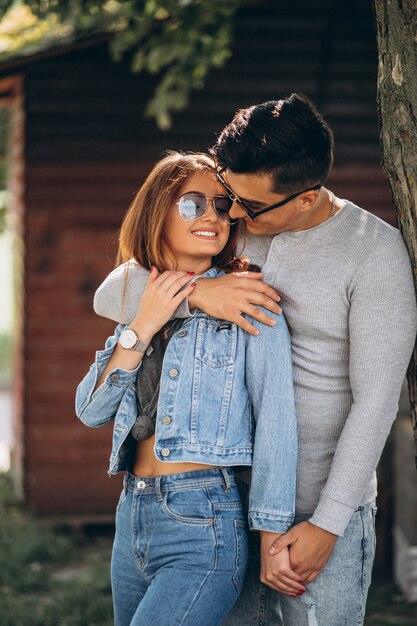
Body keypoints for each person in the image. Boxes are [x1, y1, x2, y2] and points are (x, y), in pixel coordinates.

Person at [93, 95, 417, 626]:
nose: (233, 213)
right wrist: (199, 296)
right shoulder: (231, 228)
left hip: (316, 508)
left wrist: (328, 525)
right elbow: (112, 294)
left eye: (248, 204)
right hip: (223, 505)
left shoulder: (373, 255)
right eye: (228, 194)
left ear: (307, 197)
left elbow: (376, 405)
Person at [75, 152, 298, 626]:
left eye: (222, 205)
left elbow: (277, 420)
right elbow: (91, 410)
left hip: (204, 521)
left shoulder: (249, 299)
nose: (213, 217)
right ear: (158, 211)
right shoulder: (139, 300)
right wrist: (146, 322)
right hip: (132, 510)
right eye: (193, 204)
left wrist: (271, 532)